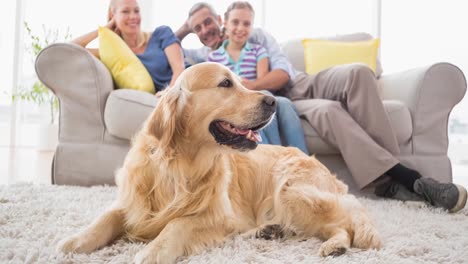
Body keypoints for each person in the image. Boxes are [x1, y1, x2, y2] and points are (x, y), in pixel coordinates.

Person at [175, 2, 467, 213]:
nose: (204, 30)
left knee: (358, 72)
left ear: (220, 18)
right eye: (197, 27)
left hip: (299, 83)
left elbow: (283, 74)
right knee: (329, 112)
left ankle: (392, 178)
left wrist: (253, 85)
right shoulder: (205, 56)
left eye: (207, 22)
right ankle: (410, 179)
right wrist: (184, 28)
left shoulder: (255, 38)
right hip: (287, 103)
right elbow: (167, 47)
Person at [207, 1, 308, 154]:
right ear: (225, 23)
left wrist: (251, 87)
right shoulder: (213, 58)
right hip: (236, 103)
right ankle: (273, 156)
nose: (240, 28)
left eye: (246, 24)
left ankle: (303, 158)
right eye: (235, 22)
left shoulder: (258, 51)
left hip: (258, 95)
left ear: (252, 27)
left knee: (285, 103)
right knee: (267, 100)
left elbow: (262, 84)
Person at [72, 0, 185, 91]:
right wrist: (103, 29)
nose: (133, 16)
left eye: (136, 11)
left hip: (186, 86)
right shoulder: (114, 54)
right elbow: (70, 49)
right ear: (113, 15)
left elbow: (179, 69)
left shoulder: (161, 33)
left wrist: (167, 96)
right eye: (125, 11)